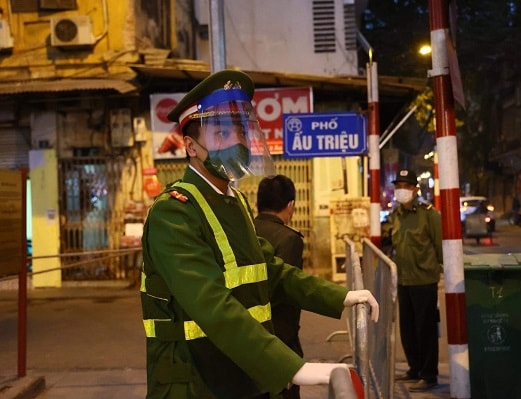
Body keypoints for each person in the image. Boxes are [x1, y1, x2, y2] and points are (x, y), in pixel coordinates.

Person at [140, 69, 379, 399]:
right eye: (221, 133)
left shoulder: (232, 200)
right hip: (194, 380)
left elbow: (270, 270)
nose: (235, 141)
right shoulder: (174, 211)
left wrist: (341, 297)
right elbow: (211, 304)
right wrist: (290, 367)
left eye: (239, 131)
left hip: (239, 373)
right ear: (190, 146)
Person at [387, 169, 443, 392]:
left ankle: (429, 375)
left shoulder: (429, 214)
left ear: (415, 190)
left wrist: (441, 271)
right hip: (404, 280)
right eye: (398, 186)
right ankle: (414, 368)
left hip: (424, 280)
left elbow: (440, 246)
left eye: (405, 186)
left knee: (425, 330)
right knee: (408, 329)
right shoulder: (397, 215)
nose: (401, 190)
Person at [254, 174, 304, 399]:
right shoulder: (289, 239)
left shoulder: (244, 231)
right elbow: (288, 291)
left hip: (245, 336)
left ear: (258, 204)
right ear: (290, 205)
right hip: (280, 340)